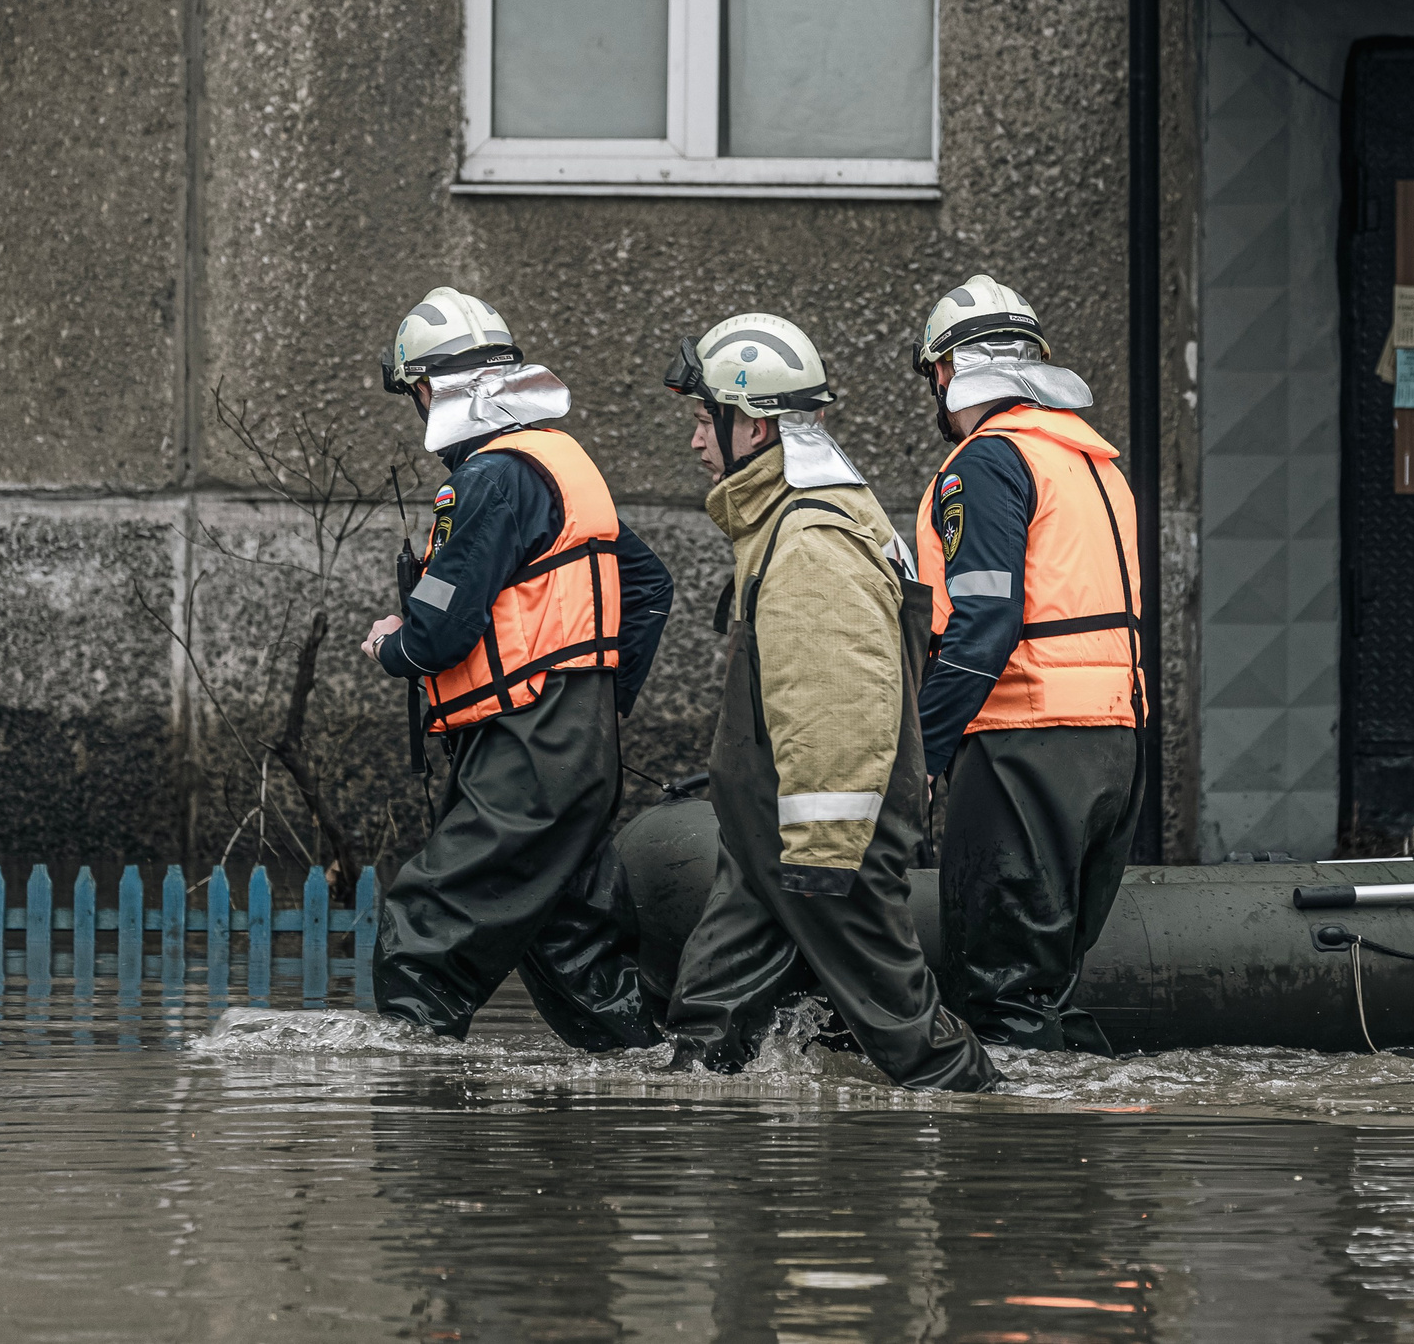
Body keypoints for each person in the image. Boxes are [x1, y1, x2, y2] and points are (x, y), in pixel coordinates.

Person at [658, 311, 999, 1091]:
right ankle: (694, 1133)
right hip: (776, 840)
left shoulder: (810, 538)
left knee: (911, 1040)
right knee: (707, 1025)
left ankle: (1005, 1137)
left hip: (821, 847)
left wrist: (821, 854)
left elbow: (839, 706)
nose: (695, 439)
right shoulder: (786, 517)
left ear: (751, 424)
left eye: (703, 419)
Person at [362, 286, 673, 1046]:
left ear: (432, 388)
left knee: (422, 937)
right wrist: (597, 703)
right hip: (574, 750)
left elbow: (438, 634)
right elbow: (650, 586)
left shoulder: (489, 479)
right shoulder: (559, 463)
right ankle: (676, 1093)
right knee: (576, 957)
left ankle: (418, 1134)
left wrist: (390, 644)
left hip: (525, 752)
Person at [910, 275, 1143, 1056]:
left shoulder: (986, 463)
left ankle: (1012, 1173)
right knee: (1046, 986)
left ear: (945, 373)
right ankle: (1072, 1163)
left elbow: (985, 622)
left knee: (1000, 995)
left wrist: (923, 752)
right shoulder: (1093, 465)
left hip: (1024, 742)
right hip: (1114, 745)